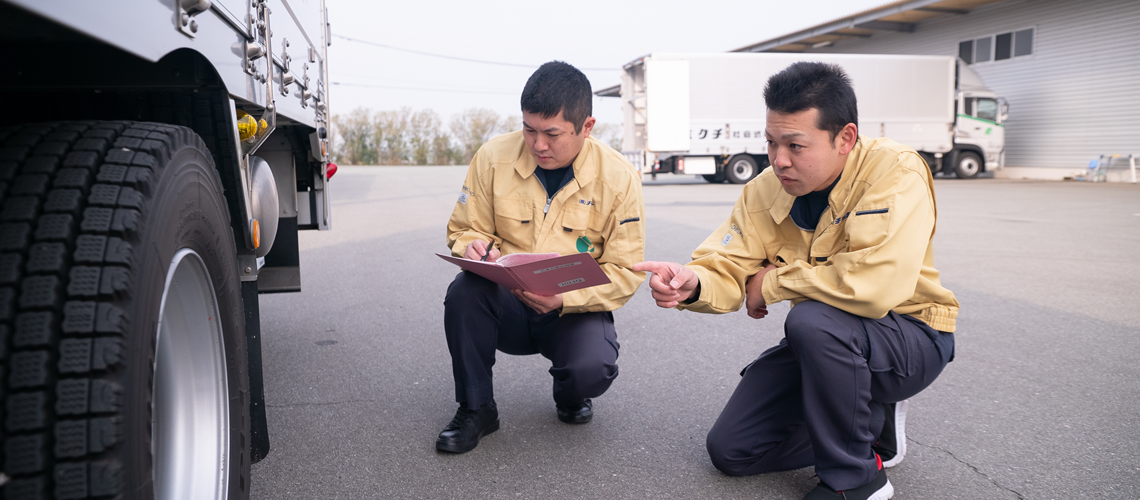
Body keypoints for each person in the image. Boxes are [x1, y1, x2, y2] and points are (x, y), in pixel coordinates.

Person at [633, 62, 958, 500]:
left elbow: (874, 286)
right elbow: (728, 263)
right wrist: (693, 282)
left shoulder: (894, 171)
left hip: (909, 336)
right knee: (732, 451)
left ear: (845, 138)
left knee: (811, 322)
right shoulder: (766, 189)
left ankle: (859, 480)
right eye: (771, 141)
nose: (778, 159)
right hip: (831, 345)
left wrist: (773, 282)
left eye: (795, 145)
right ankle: (870, 430)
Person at [436, 61, 646, 454]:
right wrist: (472, 246)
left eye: (552, 133)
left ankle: (570, 391)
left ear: (587, 126)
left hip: (573, 307)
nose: (538, 145)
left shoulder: (619, 178)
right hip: (507, 302)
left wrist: (565, 298)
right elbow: (464, 228)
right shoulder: (493, 157)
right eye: (529, 129)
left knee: (591, 368)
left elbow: (625, 270)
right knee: (464, 292)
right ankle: (477, 408)